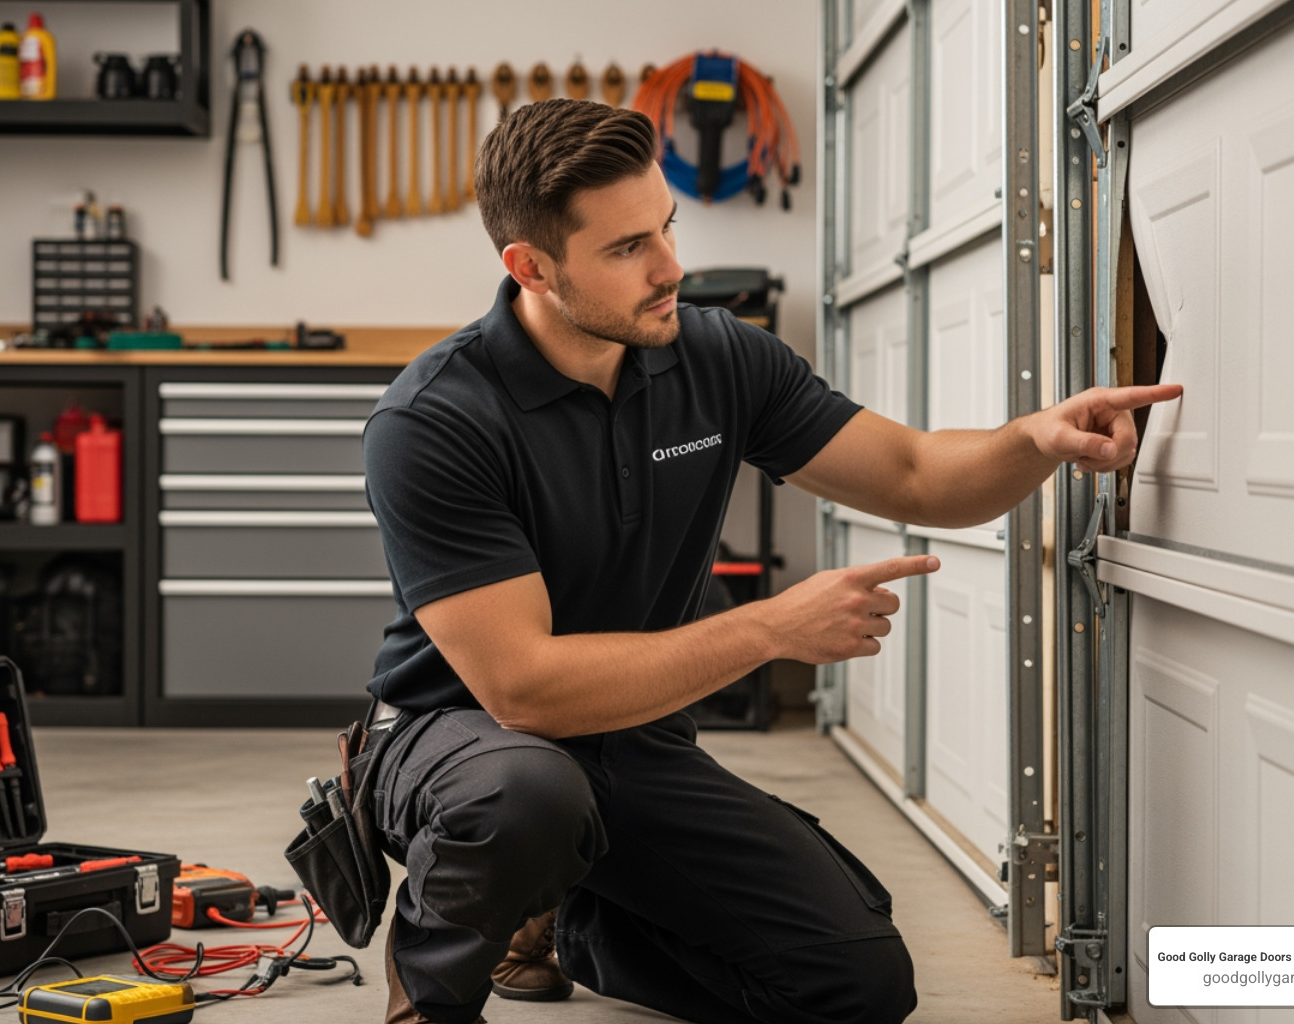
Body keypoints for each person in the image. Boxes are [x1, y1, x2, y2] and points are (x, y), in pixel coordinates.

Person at [363, 98, 1182, 1024]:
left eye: (666, 226)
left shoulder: (719, 360)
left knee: (858, 984)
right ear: (531, 267)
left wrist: (1037, 439)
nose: (671, 267)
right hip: (459, 739)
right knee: (526, 793)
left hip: (633, 742)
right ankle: (428, 999)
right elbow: (522, 690)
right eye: (628, 248)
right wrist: (773, 628)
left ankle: (568, 918)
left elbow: (915, 475)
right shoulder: (434, 420)